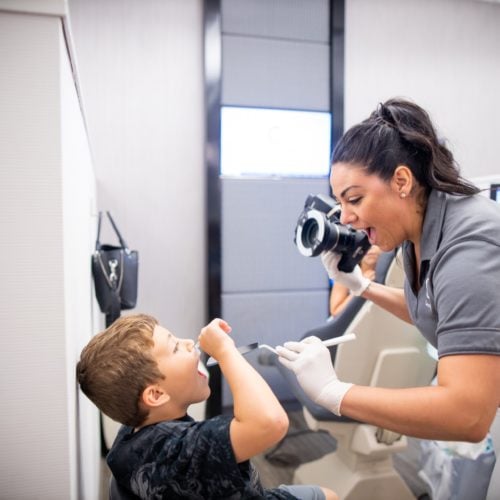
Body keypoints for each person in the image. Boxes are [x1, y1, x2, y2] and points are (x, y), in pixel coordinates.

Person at [277, 98, 500, 496]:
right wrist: (362, 286)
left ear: (401, 181)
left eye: (354, 199)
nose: (344, 217)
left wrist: (335, 393)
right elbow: (434, 313)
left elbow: (468, 415)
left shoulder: (467, 248)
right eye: (341, 202)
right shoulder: (417, 231)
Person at [77, 314, 337, 500]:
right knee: (329, 496)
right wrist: (225, 352)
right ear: (155, 394)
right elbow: (270, 422)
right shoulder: (180, 451)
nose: (190, 343)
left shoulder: (130, 436)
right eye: (176, 347)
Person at [328, 244, 381, 318]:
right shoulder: (345, 273)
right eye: (366, 243)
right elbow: (335, 312)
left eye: (375, 244)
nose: (370, 248)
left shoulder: (388, 274)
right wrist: (361, 286)